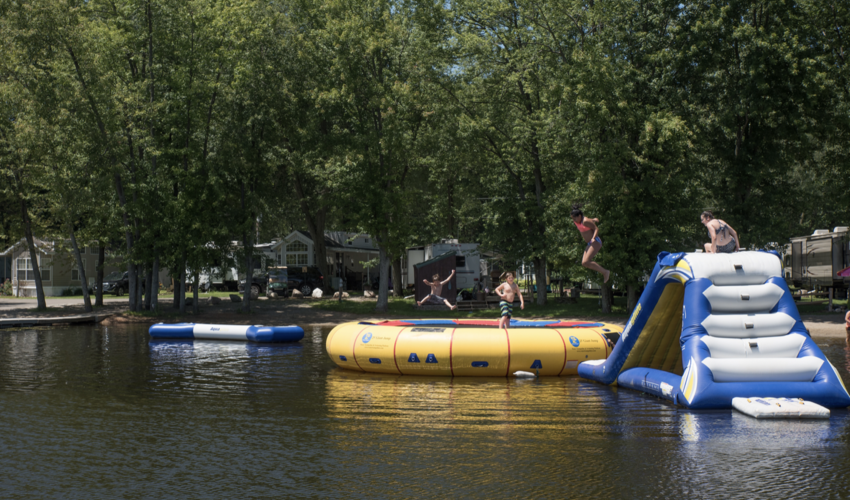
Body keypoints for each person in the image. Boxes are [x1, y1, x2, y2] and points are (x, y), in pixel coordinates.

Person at [571, 204, 610, 283]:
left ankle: (605, 272)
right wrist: (593, 220)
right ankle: (604, 272)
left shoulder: (585, 221)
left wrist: (593, 238)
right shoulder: (578, 221)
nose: (574, 220)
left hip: (595, 241)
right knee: (584, 263)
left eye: (575, 218)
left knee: (586, 261)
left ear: (579, 216)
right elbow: (588, 220)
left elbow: (596, 228)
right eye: (572, 218)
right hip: (589, 243)